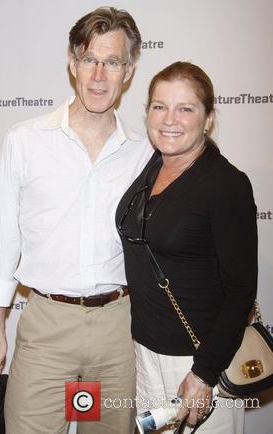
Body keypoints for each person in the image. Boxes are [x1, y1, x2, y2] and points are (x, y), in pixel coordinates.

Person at [0, 7, 153, 434]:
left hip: (118, 329)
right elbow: (1, 241)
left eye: (111, 62)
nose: (98, 75)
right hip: (45, 330)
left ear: (128, 71)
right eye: (89, 59)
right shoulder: (25, 140)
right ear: (72, 63)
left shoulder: (144, 152)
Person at [116, 61, 257, 433]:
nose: (169, 119)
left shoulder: (226, 185)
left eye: (185, 108)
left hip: (197, 362)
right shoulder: (152, 167)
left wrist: (204, 373)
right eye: (159, 106)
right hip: (146, 353)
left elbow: (241, 290)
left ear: (208, 118)